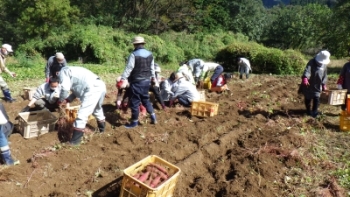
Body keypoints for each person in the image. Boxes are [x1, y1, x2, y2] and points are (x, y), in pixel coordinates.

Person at [57, 66, 106, 145]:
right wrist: (67, 100)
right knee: (97, 110)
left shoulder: (64, 72)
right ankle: (102, 131)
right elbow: (76, 90)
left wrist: (60, 100)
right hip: (100, 85)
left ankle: (75, 142)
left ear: (57, 73)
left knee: (82, 115)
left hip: (92, 88)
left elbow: (65, 89)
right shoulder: (71, 71)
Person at [119, 36, 157, 128]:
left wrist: (123, 78)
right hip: (146, 81)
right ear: (143, 44)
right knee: (146, 100)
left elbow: (129, 68)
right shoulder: (150, 54)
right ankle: (153, 117)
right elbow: (152, 68)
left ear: (135, 45)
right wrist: (153, 78)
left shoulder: (134, 54)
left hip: (136, 81)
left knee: (135, 102)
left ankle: (134, 123)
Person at [301, 50, 330, 118]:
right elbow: (307, 70)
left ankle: (315, 111)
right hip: (309, 84)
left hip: (317, 85)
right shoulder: (312, 62)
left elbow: (325, 75)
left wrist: (323, 84)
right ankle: (308, 110)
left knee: (316, 98)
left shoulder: (324, 65)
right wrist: (305, 78)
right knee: (308, 98)